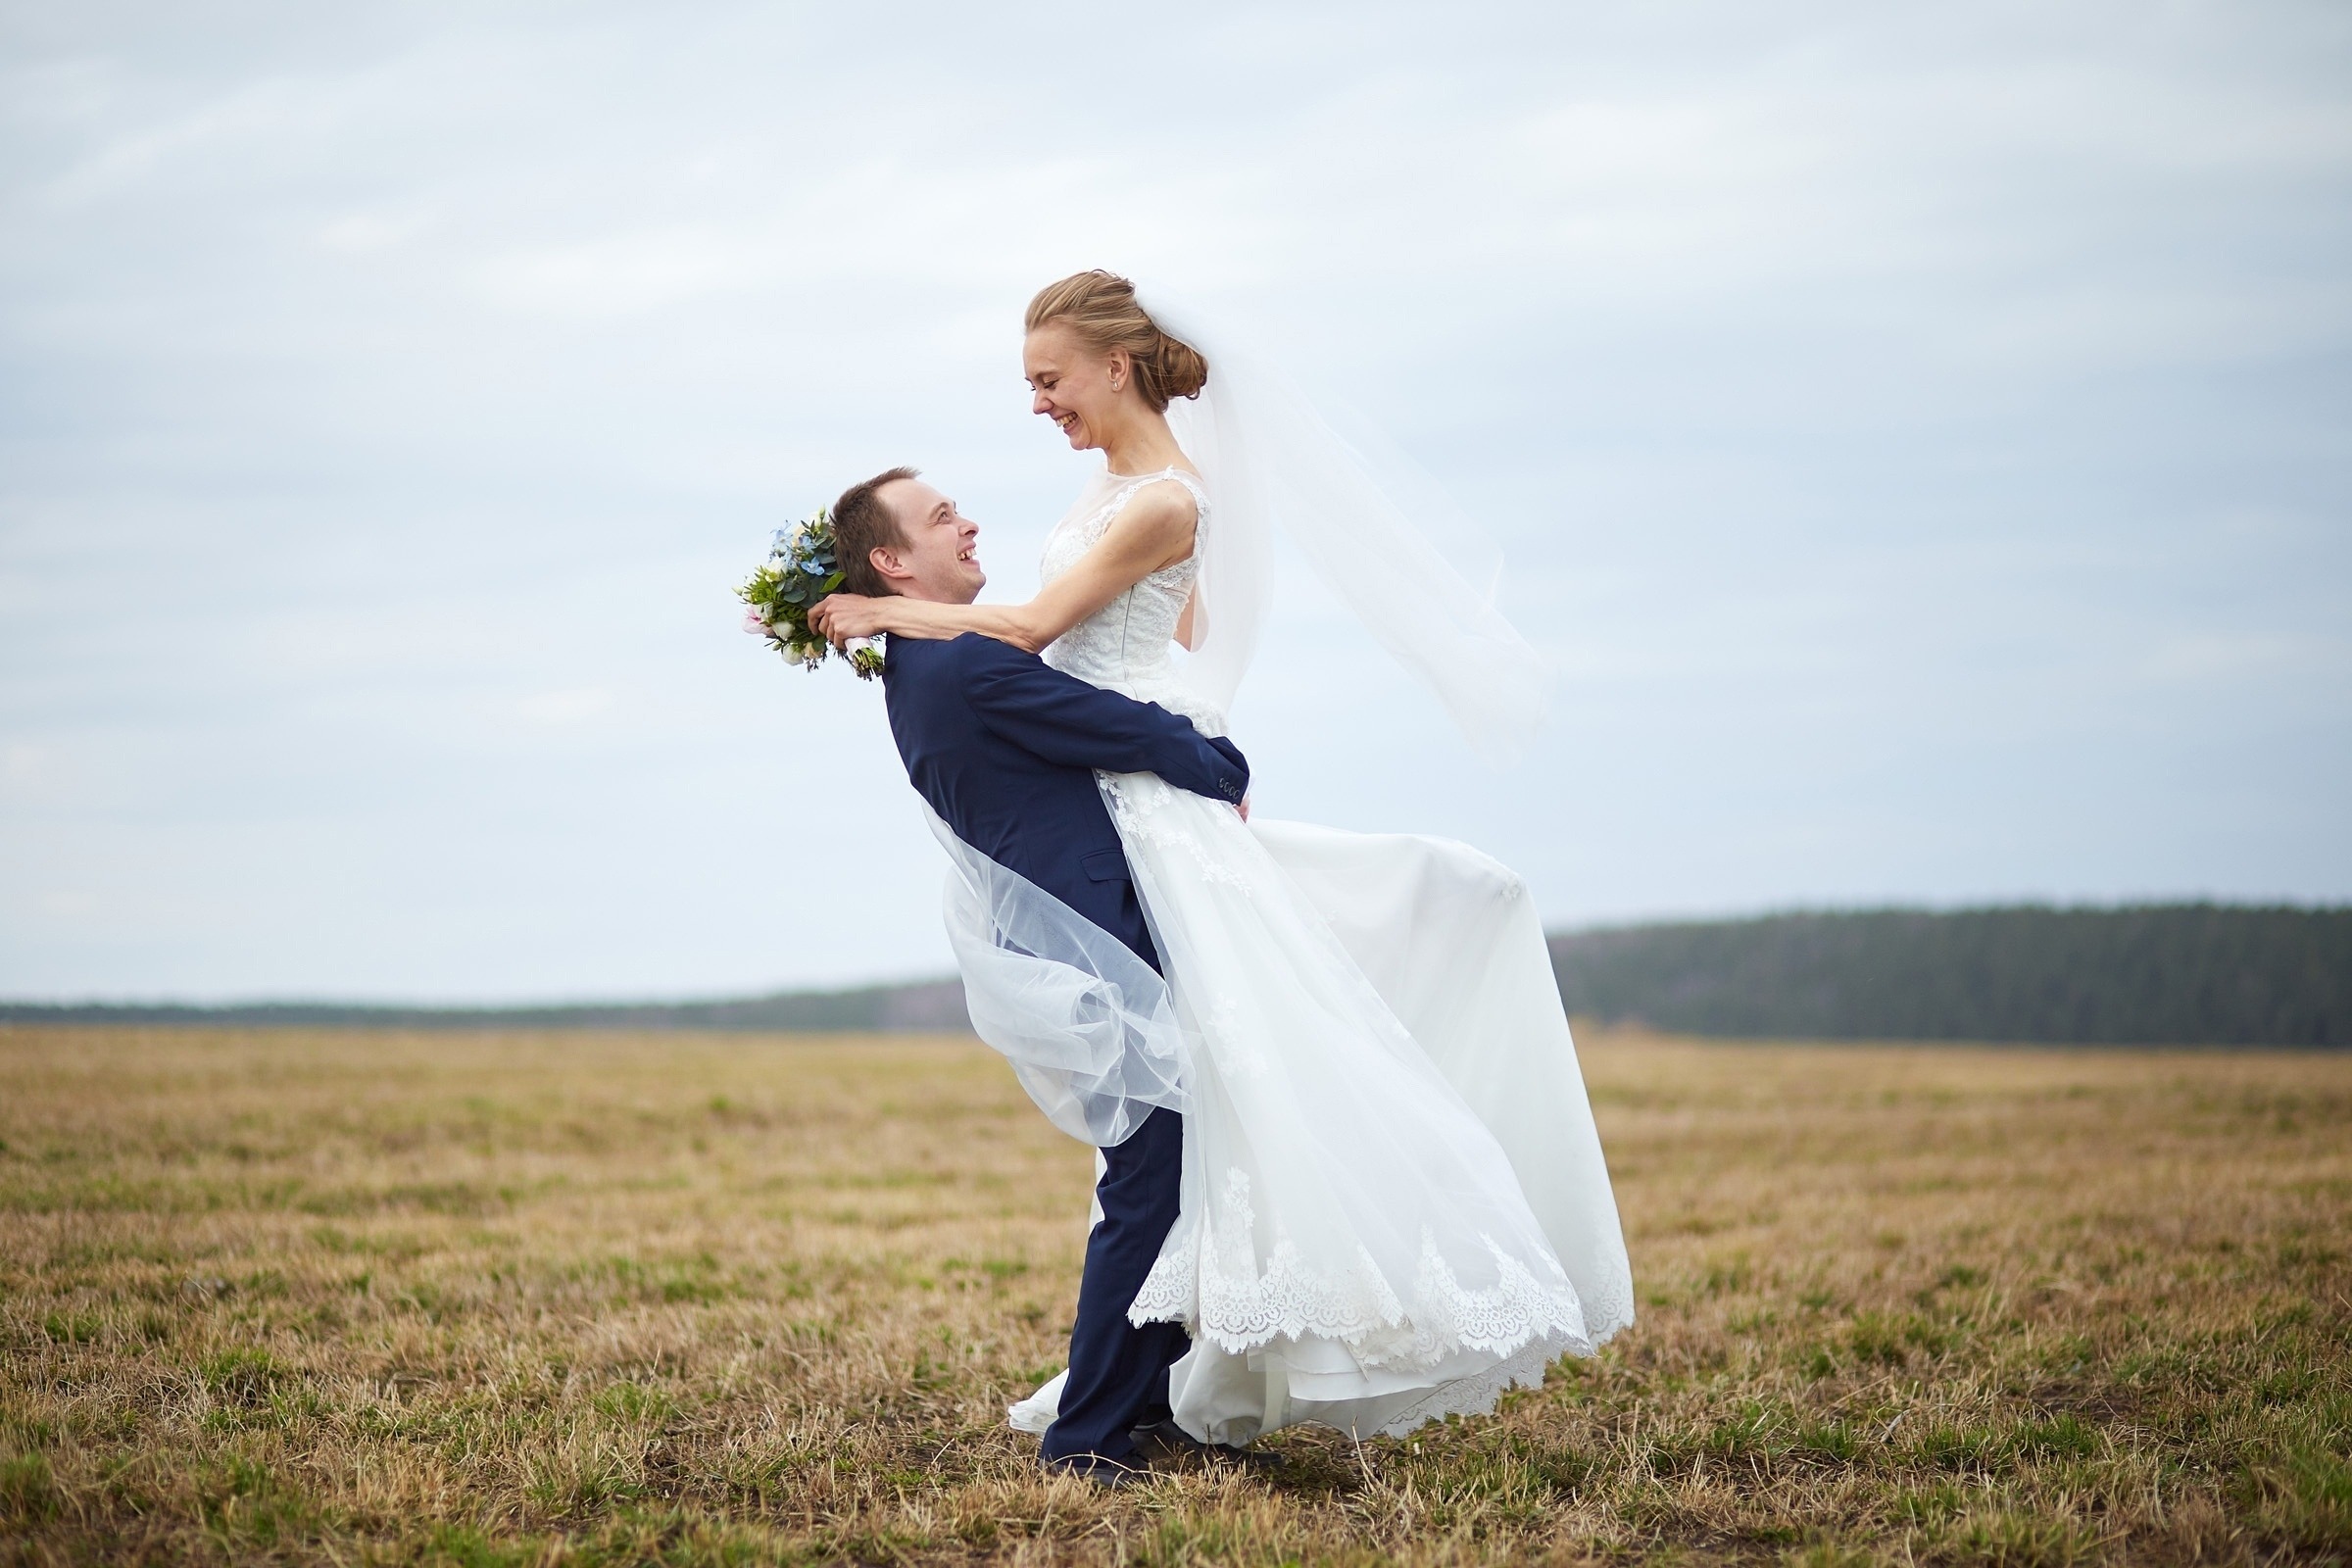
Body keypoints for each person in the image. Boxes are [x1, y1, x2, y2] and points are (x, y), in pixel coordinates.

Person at [814, 271, 1634, 1448]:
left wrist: (890, 614)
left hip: (1151, 798)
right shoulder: (1109, 495)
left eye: (1048, 378)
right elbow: (1154, 632)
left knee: (1234, 1077)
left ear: (1116, 364)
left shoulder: (1164, 503)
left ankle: (1152, 1393)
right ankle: (1160, 1384)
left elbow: (1040, 633)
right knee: (1195, 1102)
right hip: (1122, 792)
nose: (1038, 402)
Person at [827, 463, 1249, 1486]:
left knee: (1160, 1170)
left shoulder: (923, 664)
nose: (966, 522)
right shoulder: (970, 667)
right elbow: (1133, 732)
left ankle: (1146, 1400)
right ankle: (1090, 1436)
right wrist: (1224, 765)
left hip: (1062, 943)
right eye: (940, 518)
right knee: (1149, 1182)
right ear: (892, 562)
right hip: (1093, 947)